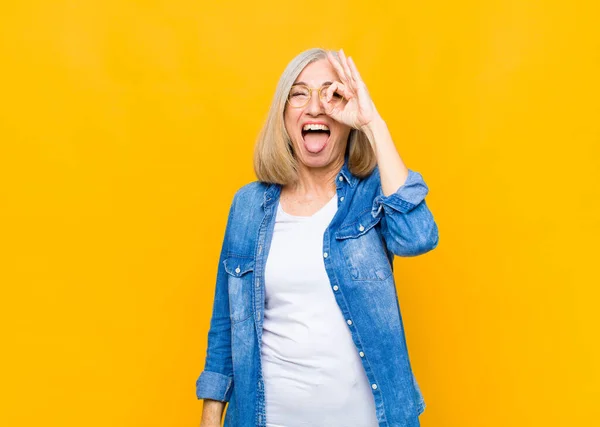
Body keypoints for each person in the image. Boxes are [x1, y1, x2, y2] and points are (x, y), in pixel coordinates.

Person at [196, 47, 439, 427]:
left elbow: (417, 237)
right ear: (283, 113)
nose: (315, 107)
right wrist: (210, 417)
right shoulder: (248, 205)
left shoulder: (373, 194)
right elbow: (225, 325)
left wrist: (372, 121)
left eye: (331, 93)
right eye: (299, 93)